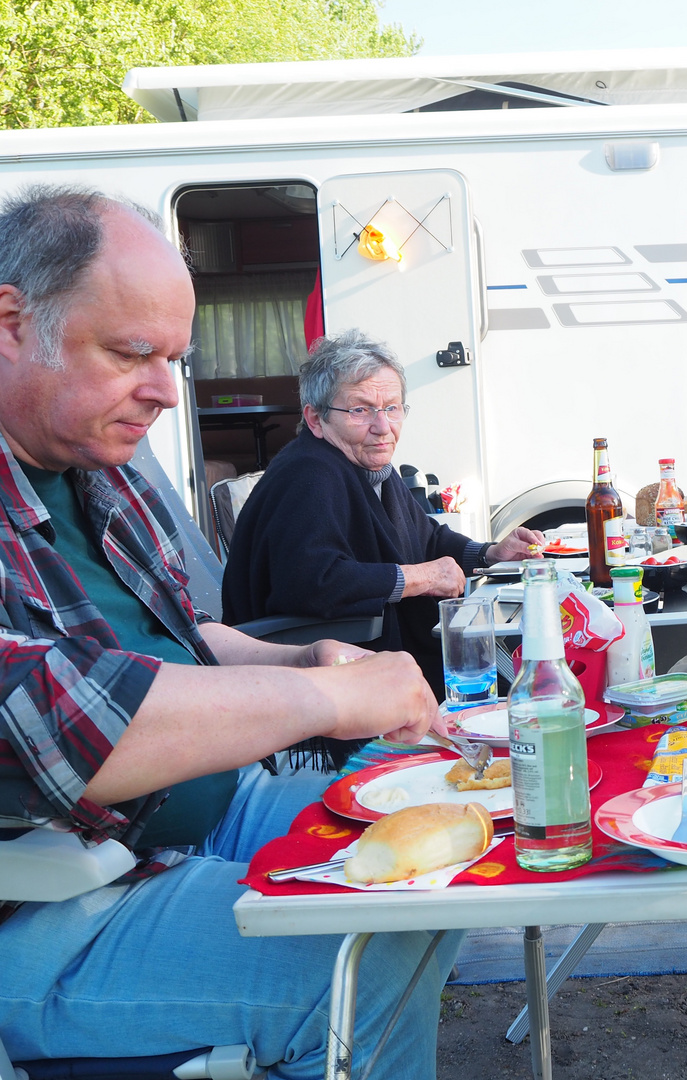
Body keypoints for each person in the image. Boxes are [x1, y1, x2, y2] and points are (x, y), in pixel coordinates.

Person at [0, 186, 459, 1078]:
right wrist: (319, 696)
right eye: (132, 351)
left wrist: (303, 655)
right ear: (11, 322)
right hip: (60, 894)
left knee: (435, 830)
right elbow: (40, 721)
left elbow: (185, 635)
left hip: (207, 809)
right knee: (366, 967)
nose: (166, 393)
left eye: (173, 357)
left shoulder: (99, 465)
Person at [221, 329, 543, 698]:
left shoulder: (371, 468)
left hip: (379, 661)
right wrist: (419, 578)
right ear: (315, 419)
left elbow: (428, 538)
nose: (383, 426)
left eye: (392, 408)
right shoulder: (310, 473)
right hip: (328, 679)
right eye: (360, 410)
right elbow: (311, 582)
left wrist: (489, 553)